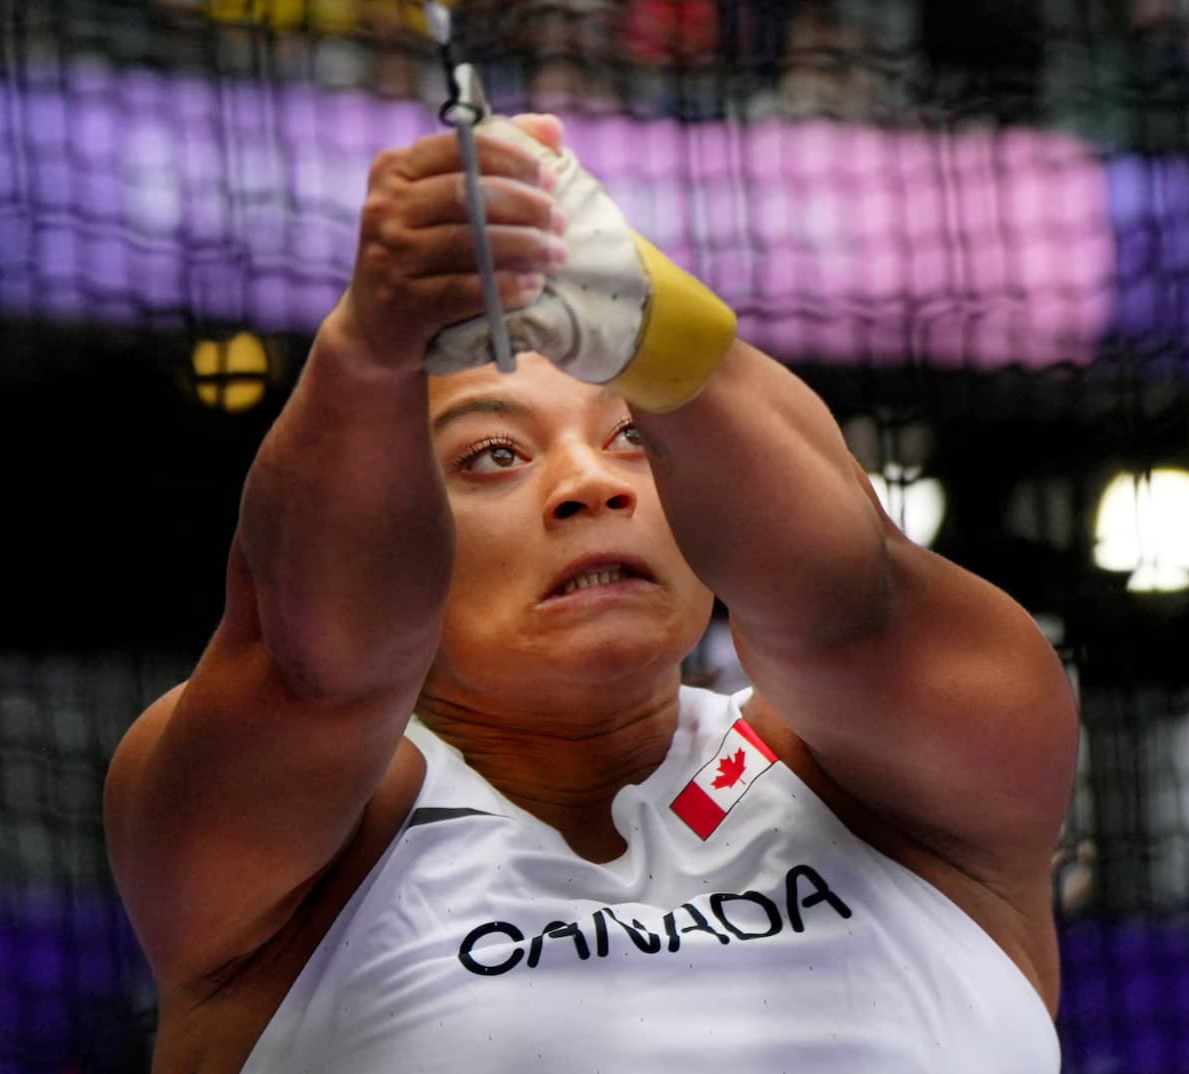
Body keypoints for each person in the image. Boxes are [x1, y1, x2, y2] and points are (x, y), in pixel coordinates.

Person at [104, 112, 1079, 1073]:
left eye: (631, 439)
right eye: (493, 454)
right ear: (395, 518)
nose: (591, 484)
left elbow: (844, 599)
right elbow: (321, 665)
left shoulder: (912, 780)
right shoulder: (285, 853)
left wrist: (655, 328)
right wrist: (368, 348)